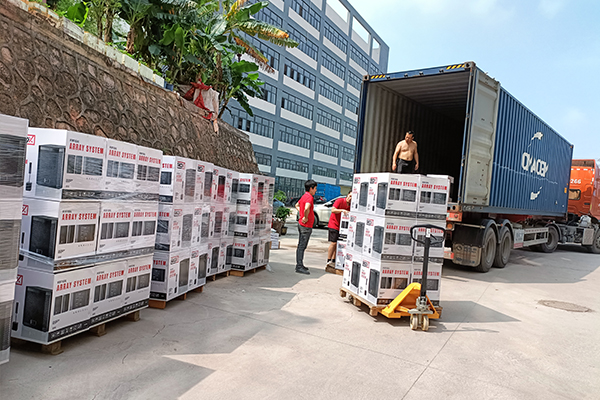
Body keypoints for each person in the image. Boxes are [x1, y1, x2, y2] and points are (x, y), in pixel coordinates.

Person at [294, 180, 318, 275]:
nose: (316, 190)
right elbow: (307, 208)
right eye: (315, 188)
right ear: (311, 188)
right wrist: (305, 216)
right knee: (302, 246)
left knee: (301, 245)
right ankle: (299, 266)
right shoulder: (309, 197)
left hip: (301, 224)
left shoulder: (304, 196)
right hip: (306, 226)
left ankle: (300, 264)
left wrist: (301, 213)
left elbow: (297, 205)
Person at [326, 193, 352, 268]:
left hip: (343, 227)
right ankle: (328, 259)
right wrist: (342, 210)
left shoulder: (351, 206)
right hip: (334, 225)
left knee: (338, 243)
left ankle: (334, 260)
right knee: (333, 243)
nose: (350, 198)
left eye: (353, 197)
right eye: (350, 196)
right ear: (347, 195)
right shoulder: (340, 201)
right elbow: (333, 210)